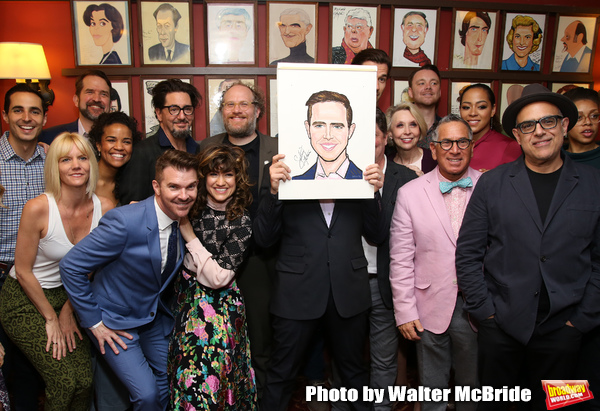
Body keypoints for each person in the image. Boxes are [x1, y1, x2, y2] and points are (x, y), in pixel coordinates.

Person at [455, 83, 600, 410]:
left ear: (564, 126)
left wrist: (580, 321)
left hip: (567, 333)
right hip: (501, 329)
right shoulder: (492, 183)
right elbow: (468, 253)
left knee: (563, 408)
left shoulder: (593, 184)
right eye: (527, 126)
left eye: (548, 122)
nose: (539, 132)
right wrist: (486, 313)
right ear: (517, 136)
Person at [60, 150, 199, 411]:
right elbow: (71, 266)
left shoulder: (181, 219)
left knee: (174, 377)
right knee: (146, 394)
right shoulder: (125, 221)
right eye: (174, 187)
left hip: (151, 316)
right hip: (114, 320)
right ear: (156, 187)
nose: (184, 195)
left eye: (190, 186)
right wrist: (95, 323)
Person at [255, 148, 385, 411]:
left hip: (347, 291)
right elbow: (264, 238)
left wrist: (373, 193)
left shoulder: (359, 175)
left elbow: (378, 235)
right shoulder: (285, 173)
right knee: (281, 374)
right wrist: (273, 192)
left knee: (355, 376)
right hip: (296, 291)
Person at [0, 132, 113, 410]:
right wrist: (51, 318)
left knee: (84, 381)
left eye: (82, 158)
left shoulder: (106, 207)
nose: (76, 165)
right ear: (55, 166)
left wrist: (68, 309)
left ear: (92, 163)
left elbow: (94, 267)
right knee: (64, 381)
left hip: (70, 297)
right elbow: (24, 271)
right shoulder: (38, 208)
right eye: (66, 159)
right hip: (25, 299)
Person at [390, 115, 480, 411]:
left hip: (479, 306)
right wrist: (404, 311)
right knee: (432, 390)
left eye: (462, 142)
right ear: (433, 148)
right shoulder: (410, 193)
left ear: (471, 145)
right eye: (446, 143)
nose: (455, 150)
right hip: (427, 304)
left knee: (473, 388)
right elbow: (401, 258)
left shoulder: (491, 186)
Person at [199, 81, 277, 399]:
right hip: (214, 260)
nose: (237, 110)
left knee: (261, 340)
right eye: (230, 105)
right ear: (222, 112)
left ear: (257, 111)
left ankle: (262, 401)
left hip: (261, 259)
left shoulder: (278, 148)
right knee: (216, 338)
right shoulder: (206, 147)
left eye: (244, 104)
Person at [169, 145, 256, 409]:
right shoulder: (190, 206)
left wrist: (189, 235)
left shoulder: (240, 220)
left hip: (221, 310)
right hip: (184, 302)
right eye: (213, 175)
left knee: (212, 380)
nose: (220, 182)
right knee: (185, 376)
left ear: (237, 179)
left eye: (228, 175)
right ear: (203, 178)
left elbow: (218, 278)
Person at [366, 108, 417, 410]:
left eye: (373, 136)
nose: (366, 143)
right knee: (345, 357)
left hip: (387, 282)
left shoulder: (407, 178)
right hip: (348, 280)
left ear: (385, 138)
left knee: (384, 361)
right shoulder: (334, 175)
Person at [0, 83, 47, 410]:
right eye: (18, 110)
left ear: (45, 118)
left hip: (40, 281)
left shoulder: (54, 160)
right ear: (5, 115)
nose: (26, 118)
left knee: (31, 375)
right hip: (1, 276)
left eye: (35, 111)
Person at [119, 79, 201, 204]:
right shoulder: (142, 153)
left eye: (187, 109)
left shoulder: (197, 150)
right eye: (174, 109)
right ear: (159, 113)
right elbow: (132, 206)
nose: (182, 116)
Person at [293, 90, 362, 180]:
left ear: (350, 130)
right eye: (319, 126)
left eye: (337, 127)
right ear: (308, 129)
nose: (328, 136)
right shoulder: (295, 183)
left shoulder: (365, 181)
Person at [458, 84, 521, 172]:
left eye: (481, 107)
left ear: (493, 110)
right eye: (466, 107)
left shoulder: (510, 147)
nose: (472, 113)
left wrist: (494, 179)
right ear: (460, 110)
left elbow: (518, 183)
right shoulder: (451, 145)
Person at [40, 70, 112, 144]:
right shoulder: (49, 137)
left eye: (103, 94)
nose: (96, 99)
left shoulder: (122, 141)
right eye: (90, 92)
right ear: (76, 100)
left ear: (110, 103)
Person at [89, 112, 142, 207]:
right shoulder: (83, 180)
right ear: (98, 145)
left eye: (126, 142)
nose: (119, 147)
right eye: (111, 140)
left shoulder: (133, 183)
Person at [386, 102, 437, 176]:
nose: (407, 131)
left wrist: (423, 181)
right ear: (390, 133)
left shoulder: (434, 160)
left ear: (420, 128)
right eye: (400, 125)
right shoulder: (386, 164)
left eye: (413, 125)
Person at [563, 87, 600, 169]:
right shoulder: (554, 158)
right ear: (564, 123)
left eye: (594, 116)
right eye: (579, 117)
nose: (588, 122)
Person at [407, 65, 442, 147]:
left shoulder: (447, 127)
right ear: (410, 92)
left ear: (440, 92)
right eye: (421, 83)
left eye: (433, 83)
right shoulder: (400, 128)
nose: (428, 87)